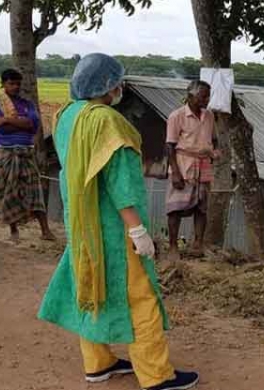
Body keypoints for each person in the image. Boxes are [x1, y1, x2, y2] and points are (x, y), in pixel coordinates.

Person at [37, 53, 199, 390]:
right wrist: (138, 230)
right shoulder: (108, 123)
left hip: (82, 223)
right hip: (114, 228)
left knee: (91, 286)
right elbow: (119, 182)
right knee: (139, 296)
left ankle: (99, 363)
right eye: (118, 81)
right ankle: (156, 376)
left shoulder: (66, 115)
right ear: (108, 86)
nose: (121, 87)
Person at [0, 69, 55, 243]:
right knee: (8, 191)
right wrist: (18, 122)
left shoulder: (28, 104)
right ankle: (14, 231)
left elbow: (32, 125)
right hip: (7, 152)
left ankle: (45, 230)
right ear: (2, 84)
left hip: (26, 152)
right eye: (11, 83)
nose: (15, 87)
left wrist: (8, 120)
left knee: (35, 192)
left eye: (18, 83)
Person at [165, 80, 217, 261]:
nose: (207, 100)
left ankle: (198, 244)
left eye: (208, 96)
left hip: (203, 165)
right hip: (183, 164)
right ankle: (172, 246)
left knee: (201, 208)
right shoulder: (176, 116)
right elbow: (170, 146)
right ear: (190, 96)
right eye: (203, 96)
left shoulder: (209, 116)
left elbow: (214, 139)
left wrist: (213, 153)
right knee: (176, 207)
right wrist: (176, 172)